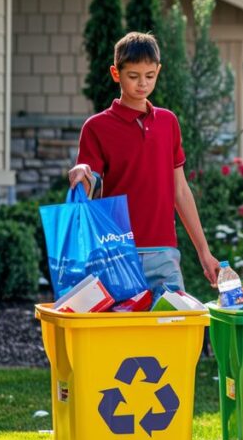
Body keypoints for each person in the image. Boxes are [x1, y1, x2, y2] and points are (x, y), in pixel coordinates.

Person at [67, 32, 219, 295]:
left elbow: (180, 191)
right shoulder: (96, 127)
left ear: (158, 71)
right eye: (133, 76)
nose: (142, 84)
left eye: (150, 76)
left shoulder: (168, 123)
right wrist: (82, 172)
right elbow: (90, 187)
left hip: (164, 251)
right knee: (122, 333)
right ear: (116, 73)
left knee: (173, 326)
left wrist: (204, 252)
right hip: (117, 251)